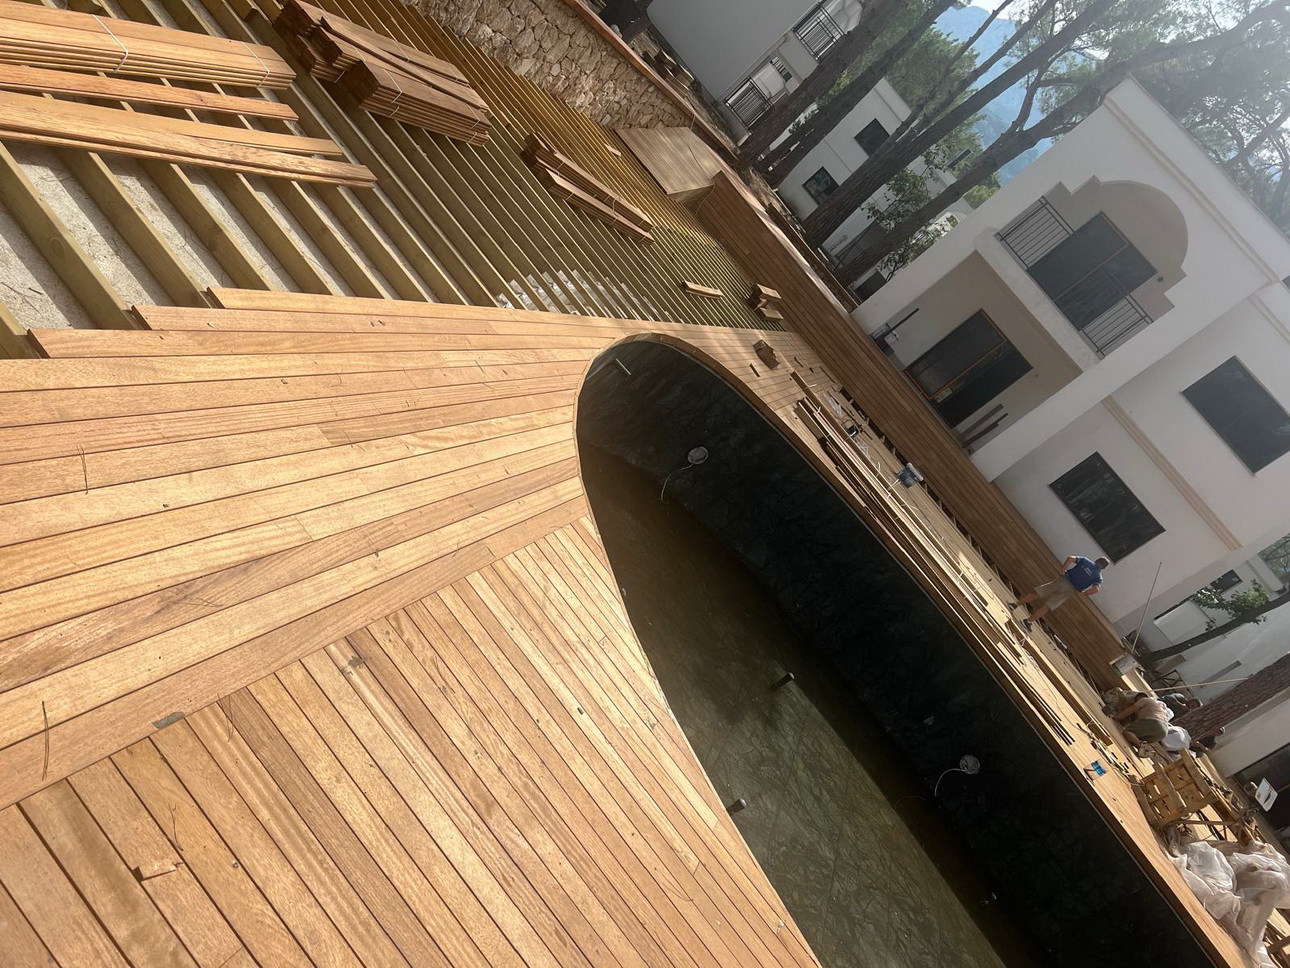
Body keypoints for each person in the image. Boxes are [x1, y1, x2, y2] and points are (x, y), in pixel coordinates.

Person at [1008, 554, 1110, 631]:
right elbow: (1096, 589)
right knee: (1047, 606)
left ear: (1097, 560)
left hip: (1063, 580)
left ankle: (1014, 605)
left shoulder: (1085, 561)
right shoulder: (1098, 576)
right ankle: (1027, 621)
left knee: (1038, 594)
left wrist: (1062, 570)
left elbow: (1070, 558)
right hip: (1070, 590)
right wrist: (1083, 593)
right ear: (1103, 568)